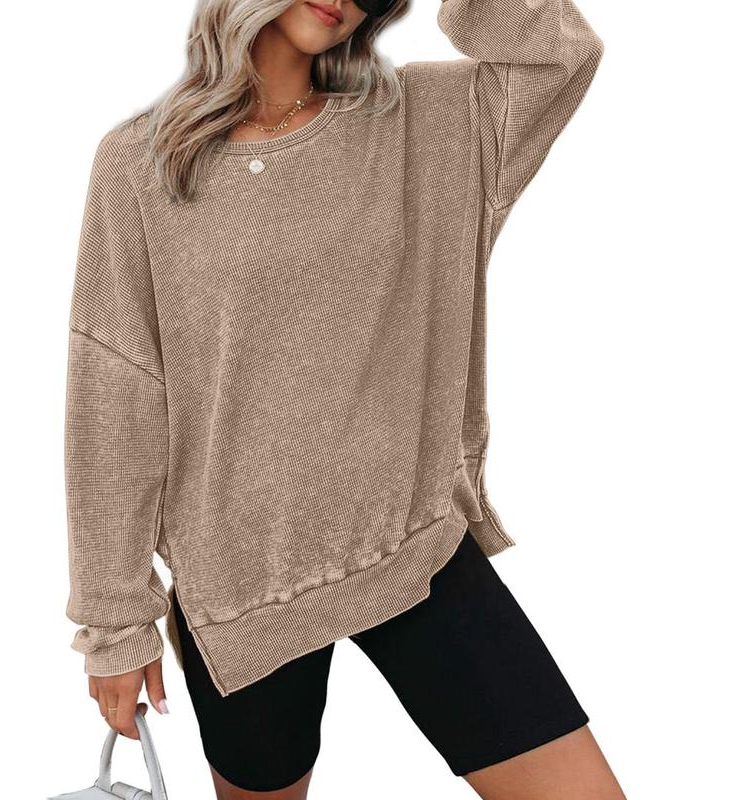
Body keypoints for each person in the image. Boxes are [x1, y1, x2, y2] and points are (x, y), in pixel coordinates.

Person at [63, 0, 626, 796]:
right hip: (243, 586)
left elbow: (560, 55)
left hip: (413, 550)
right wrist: (116, 623)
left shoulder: (429, 123)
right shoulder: (142, 163)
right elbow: (114, 396)